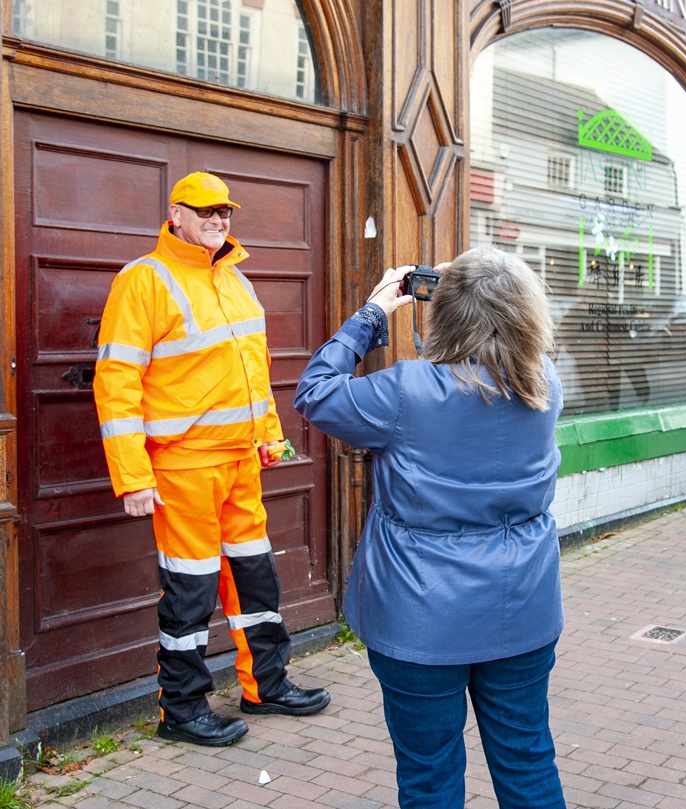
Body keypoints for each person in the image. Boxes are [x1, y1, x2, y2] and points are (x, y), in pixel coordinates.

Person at [294, 247, 567, 809]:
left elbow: (315, 393)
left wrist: (372, 315)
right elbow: (479, 371)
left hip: (420, 617)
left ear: (445, 313)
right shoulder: (544, 385)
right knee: (528, 760)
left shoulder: (405, 391)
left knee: (428, 779)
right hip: (522, 607)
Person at [93, 172, 331, 747]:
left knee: (256, 578)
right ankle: (181, 712)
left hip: (241, 463)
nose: (217, 219)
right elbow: (117, 379)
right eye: (204, 211)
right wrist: (132, 476)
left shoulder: (235, 281)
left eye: (224, 211)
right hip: (183, 467)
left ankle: (266, 685)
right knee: (192, 589)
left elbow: (255, 373)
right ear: (175, 214)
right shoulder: (144, 280)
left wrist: (271, 438)